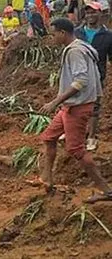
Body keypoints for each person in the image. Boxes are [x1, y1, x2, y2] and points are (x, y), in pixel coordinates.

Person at [39, 18, 112, 204]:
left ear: (62, 33)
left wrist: (55, 102)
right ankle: (46, 179)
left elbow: (80, 82)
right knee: (49, 138)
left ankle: (106, 190)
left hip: (77, 107)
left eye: (54, 33)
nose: (52, 37)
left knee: (76, 149)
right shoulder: (80, 46)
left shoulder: (75, 52)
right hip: (70, 106)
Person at [74, 2, 112, 151]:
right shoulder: (77, 33)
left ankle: (91, 137)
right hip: (77, 74)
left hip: (97, 75)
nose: (90, 15)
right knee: (75, 103)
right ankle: (76, 133)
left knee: (94, 106)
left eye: (94, 12)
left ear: (101, 14)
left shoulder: (108, 35)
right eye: (88, 12)